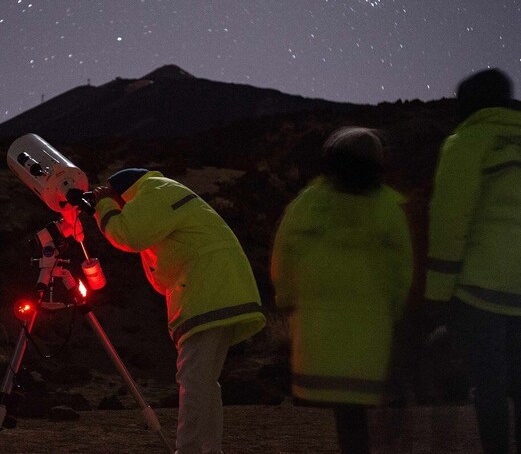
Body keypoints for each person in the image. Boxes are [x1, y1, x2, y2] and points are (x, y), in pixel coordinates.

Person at [91, 168, 266, 454]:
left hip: (208, 290)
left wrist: (104, 206)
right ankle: (208, 449)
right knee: (203, 381)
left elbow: (129, 234)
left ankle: (190, 449)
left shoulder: (153, 193)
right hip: (217, 288)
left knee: (195, 380)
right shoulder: (164, 190)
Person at [271, 127, 413, 454]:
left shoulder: (308, 204)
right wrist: (397, 309)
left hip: (320, 335)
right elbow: (403, 268)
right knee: (360, 412)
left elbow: (284, 256)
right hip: (371, 332)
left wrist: (287, 300)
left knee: (347, 416)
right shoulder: (391, 208)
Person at [425, 68, 521, 454]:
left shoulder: (467, 141)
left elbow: (450, 221)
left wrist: (437, 296)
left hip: (482, 291)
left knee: (490, 386)